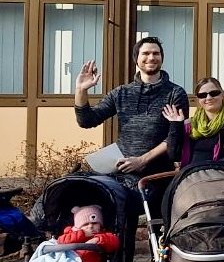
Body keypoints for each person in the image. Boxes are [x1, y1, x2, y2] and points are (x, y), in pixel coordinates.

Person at [74, 36, 188, 187]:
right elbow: (87, 121)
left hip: (155, 177)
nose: (151, 57)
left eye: (156, 53)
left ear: (161, 57)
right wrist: (81, 90)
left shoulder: (175, 93)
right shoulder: (121, 93)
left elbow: (174, 136)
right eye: (146, 53)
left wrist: (142, 160)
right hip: (120, 174)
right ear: (136, 58)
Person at [163, 77, 224, 170]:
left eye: (214, 93)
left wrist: (205, 172)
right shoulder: (189, 125)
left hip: (221, 178)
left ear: (222, 94)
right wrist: (176, 125)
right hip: (189, 178)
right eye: (202, 95)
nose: (208, 98)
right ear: (198, 99)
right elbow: (174, 156)